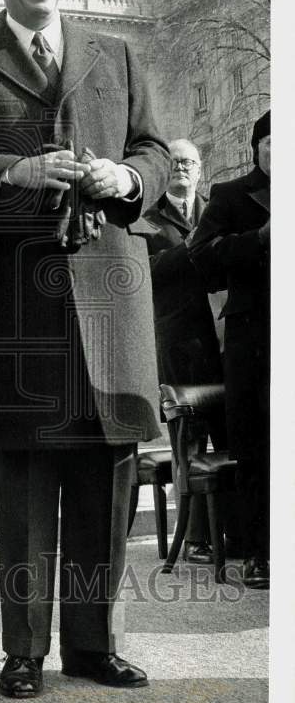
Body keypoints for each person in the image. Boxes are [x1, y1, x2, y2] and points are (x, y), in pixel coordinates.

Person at [0, 0, 169, 699]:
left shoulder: (118, 54)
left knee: (108, 475)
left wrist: (129, 178)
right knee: (28, 479)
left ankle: (94, 646)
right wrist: (14, 171)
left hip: (112, 294)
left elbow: (155, 150)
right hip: (19, 298)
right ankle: (25, 649)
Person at [188, 111, 270, 590]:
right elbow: (201, 257)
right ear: (256, 147)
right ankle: (261, 552)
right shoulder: (231, 194)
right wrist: (257, 239)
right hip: (255, 340)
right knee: (259, 444)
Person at [144, 139, 227, 565]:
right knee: (188, 444)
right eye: (174, 162)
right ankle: (195, 539)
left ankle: (232, 530)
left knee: (232, 437)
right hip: (178, 348)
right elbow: (146, 273)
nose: (182, 168)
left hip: (224, 345)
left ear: (199, 169)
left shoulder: (216, 210)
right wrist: (191, 247)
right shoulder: (146, 217)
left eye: (189, 162)